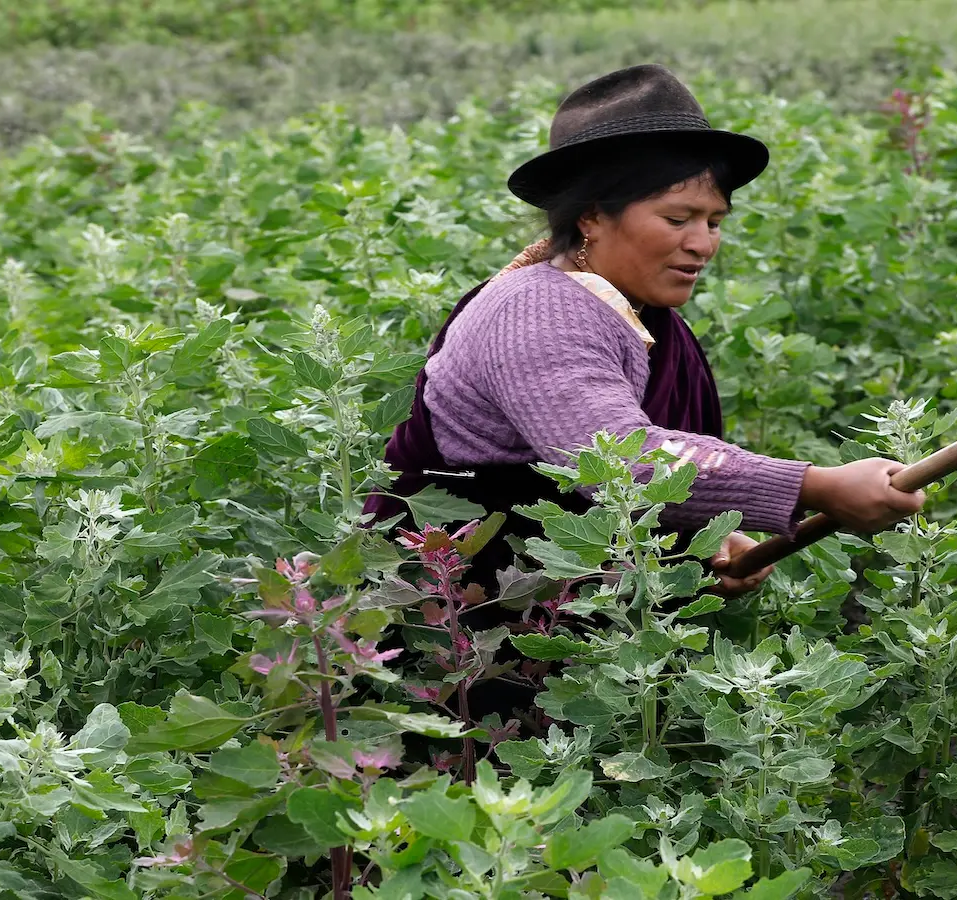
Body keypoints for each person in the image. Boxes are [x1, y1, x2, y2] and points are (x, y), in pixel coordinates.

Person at [364, 64, 924, 719]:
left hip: (563, 646)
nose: (703, 243)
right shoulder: (535, 312)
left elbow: (640, 474)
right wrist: (816, 486)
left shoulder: (637, 314)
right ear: (593, 217)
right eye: (678, 216)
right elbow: (619, 460)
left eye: (715, 220)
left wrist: (706, 543)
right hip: (459, 646)